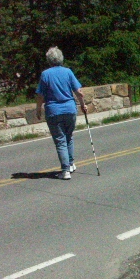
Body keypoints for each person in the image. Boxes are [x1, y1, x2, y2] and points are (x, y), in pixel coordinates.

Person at [36, 47, 87, 180]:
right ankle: (71, 164)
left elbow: (40, 95)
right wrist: (83, 105)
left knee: (60, 141)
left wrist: (38, 109)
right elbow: (78, 91)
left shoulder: (45, 74)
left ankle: (65, 170)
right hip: (70, 109)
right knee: (69, 137)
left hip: (54, 111)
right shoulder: (68, 72)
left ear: (49, 60)